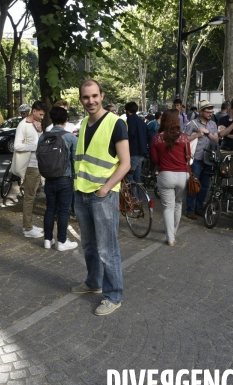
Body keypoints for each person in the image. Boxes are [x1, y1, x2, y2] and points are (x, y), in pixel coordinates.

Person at [70, 79, 130, 316]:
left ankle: (113, 295)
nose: (90, 101)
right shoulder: (84, 122)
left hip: (102, 195)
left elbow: (125, 163)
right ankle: (93, 282)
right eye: (86, 97)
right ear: (81, 99)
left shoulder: (115, 123)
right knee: (89, 245)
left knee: (107, 248)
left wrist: (105, 189)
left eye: (94, 96)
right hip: (83, 192)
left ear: (102, 96)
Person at [39, 106, 78, 251]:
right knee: (63, 210)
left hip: (48, 178)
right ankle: (62, 241)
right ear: (66, 120)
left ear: (52, 119)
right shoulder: (70, 137)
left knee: (49, 209)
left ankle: (47, 240)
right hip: (65, 178)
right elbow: (76, 160)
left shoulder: (43, 136)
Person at [151, 110, 190, 246]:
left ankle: (170, 239)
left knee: (168, 207)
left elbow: (155, 160)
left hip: (165, 174)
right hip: (183, 175)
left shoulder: (156, 139)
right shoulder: (184, 138)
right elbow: (188, 157)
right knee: (178, 204)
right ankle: (174, 230)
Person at [11, 101, 46, 238]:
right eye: (41, 114)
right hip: (30, 166)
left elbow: (40, 142)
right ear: (34, 111)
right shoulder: (23, 125)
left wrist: (40, 131)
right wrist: (34, 146)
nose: (42, 117)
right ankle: (27, 228)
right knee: (29, 197)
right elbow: (17, 146)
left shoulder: (35, 124)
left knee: (31, 196)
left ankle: (29, 225)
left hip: (38, 165)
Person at [184, 100, 219, 219]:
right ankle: (190, 209)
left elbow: (216, 139)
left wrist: (208, 132)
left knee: (204, 186)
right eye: (207, 111)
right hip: (197, 159)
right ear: (200, 111)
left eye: (211, 111)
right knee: (194, 184)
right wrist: (197, 135)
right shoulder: (192, 124)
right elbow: (185, 139)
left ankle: (199, 208)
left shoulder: (213, 124)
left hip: (209, 159)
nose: (210, 113)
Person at [125, 101, 151, 184]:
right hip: (142, 152)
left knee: (129, 177)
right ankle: (138, 196)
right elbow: (149, 136)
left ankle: (131, 196)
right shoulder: (141, 122)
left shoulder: (131, 118)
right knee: (137, 177)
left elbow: (130, 133)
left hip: (134, 151)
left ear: (128, 110)